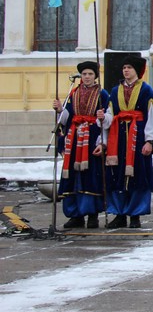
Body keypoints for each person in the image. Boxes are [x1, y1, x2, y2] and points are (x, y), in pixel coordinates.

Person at [100, 55, 153, 229]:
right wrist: (104, 118)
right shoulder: (114, 91)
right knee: (116, 174)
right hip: (118, 138)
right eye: (124, 67)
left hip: (138, 136)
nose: (126, 70)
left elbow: (152, 116)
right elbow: (110, 115)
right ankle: (119, 213)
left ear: (137, 71)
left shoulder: (147, 91)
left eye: (130, 68)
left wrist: (150, 141)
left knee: (138, 176)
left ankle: (135, 214)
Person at [52, 61, 110, 229]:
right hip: (74, 139)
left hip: (91, 138)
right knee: (71, 177)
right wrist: (58, 110)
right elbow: (66, 118)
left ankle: (92, 214)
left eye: (90, 74)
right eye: (84, 74)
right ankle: (75, 214)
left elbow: (107, 119)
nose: (86, 77)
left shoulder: (103, 94)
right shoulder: (73, 93)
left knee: (91, 176)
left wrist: (102, 141)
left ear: (95, 76)